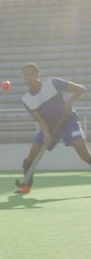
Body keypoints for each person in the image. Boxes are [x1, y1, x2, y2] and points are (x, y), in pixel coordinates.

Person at [15, 63, 90, 194]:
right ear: (23, 77)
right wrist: (46, 134)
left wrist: (69, 102)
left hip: (68, 121)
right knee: (32, 155)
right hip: (49, 126)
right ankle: (26, 185)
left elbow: (81, 89)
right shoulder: (26, 99)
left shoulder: (53, 83)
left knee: (84, 154)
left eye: (32, 74)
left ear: (38, 75)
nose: (29, 78)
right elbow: (40, 119)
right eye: (26, 75)